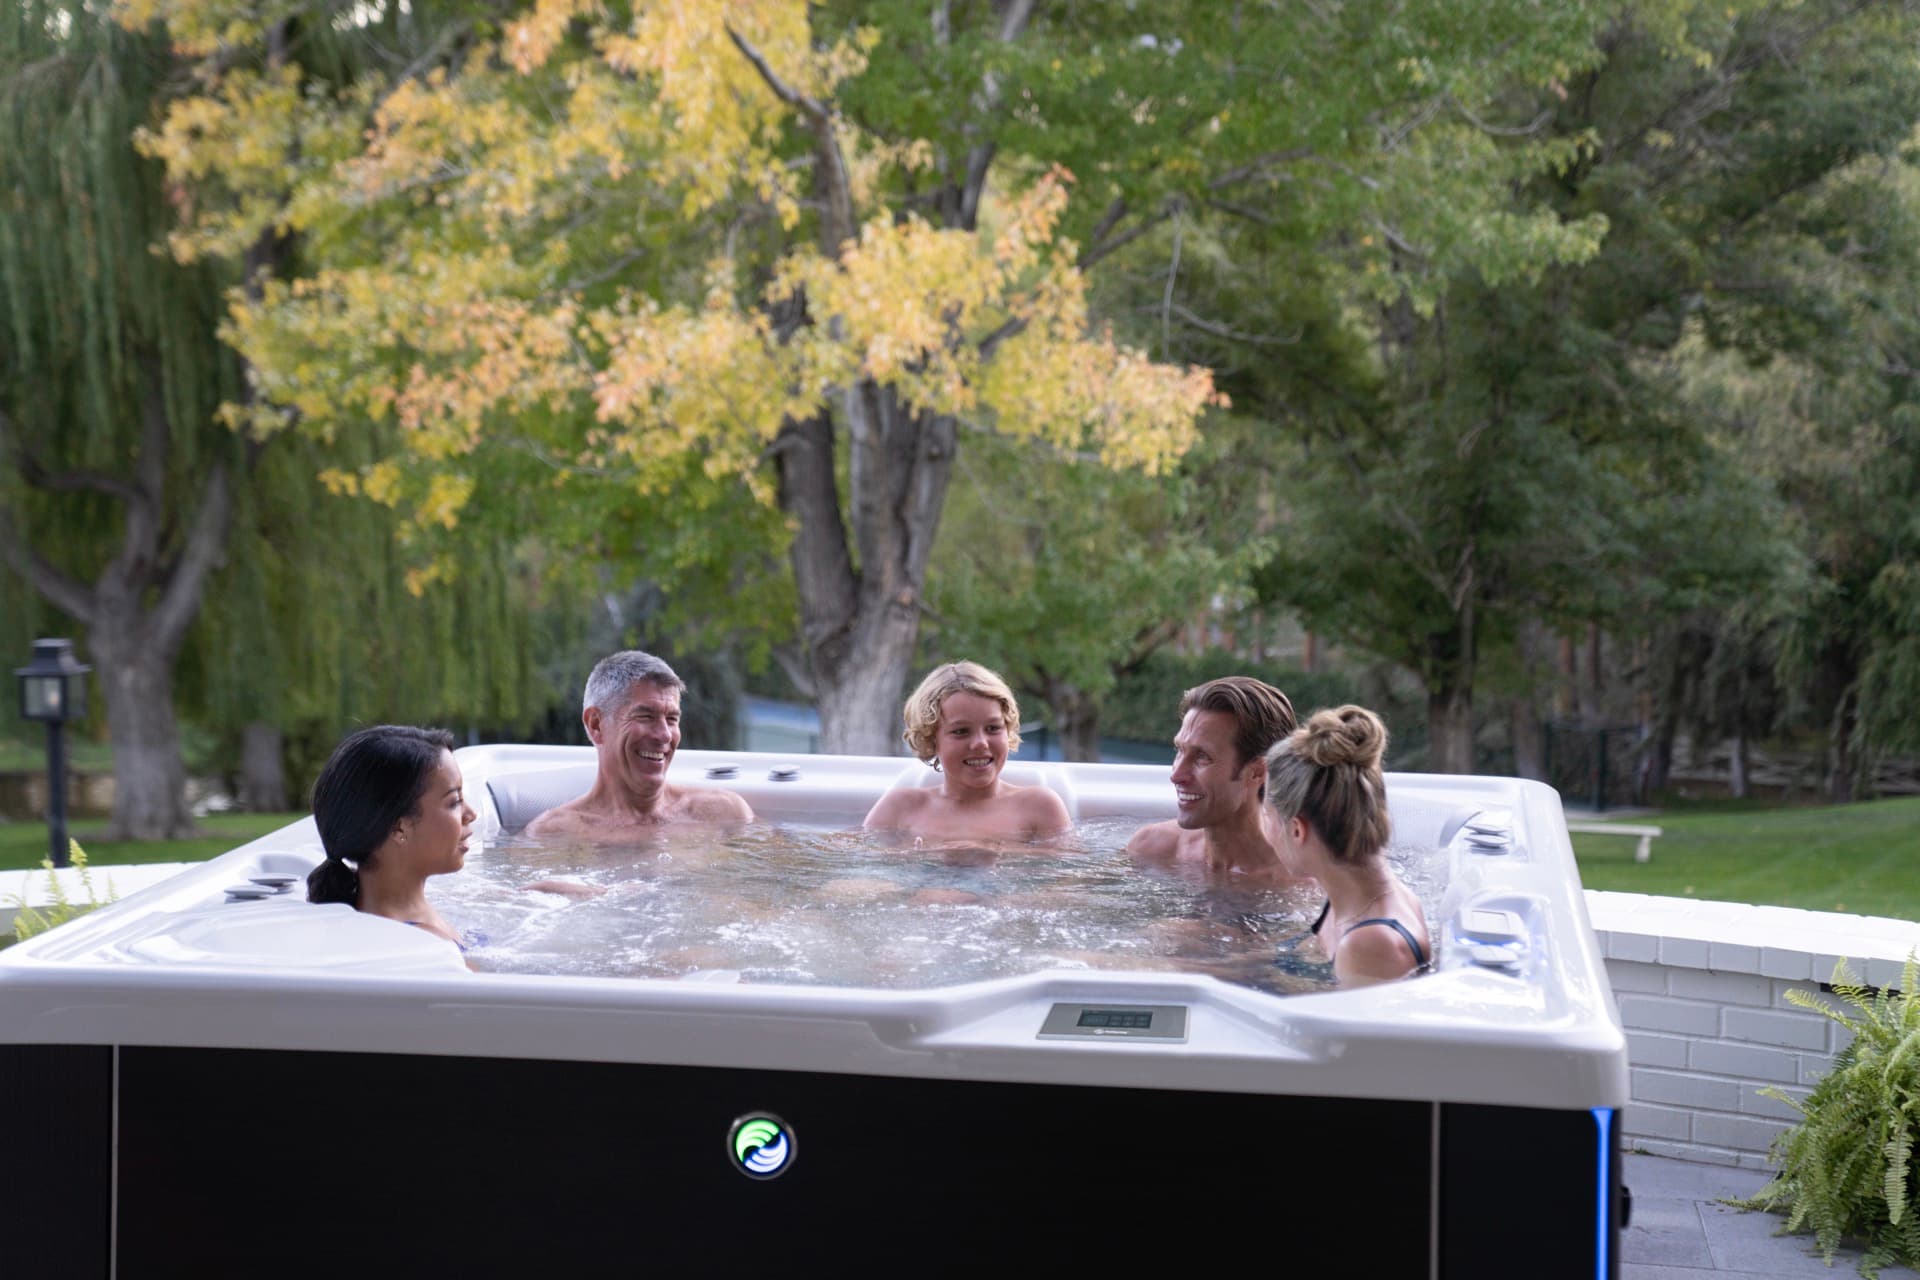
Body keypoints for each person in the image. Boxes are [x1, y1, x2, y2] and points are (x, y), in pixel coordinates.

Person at [1266, 705, 1430, 987]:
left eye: (1266, 815)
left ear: (1296, 830)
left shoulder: (1370, 946)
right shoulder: (1354, 896)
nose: (1264, 829)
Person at [526, 650, 754, 839]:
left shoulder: (724, 814)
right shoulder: (555, 835)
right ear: (596, 725)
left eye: (672, 719)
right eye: (646, 716)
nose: (664, 735)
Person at [307, 724, 480, 951]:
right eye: (454, 801)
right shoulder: (424, 946)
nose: (471, 814)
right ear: (399, 829)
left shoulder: (392, 915)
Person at [1125, 676, 1312, 886]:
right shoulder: (1151, 849)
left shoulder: (1301, 883)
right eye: (1180, 750)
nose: (1176, 775)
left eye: (1202, 756)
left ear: (1258, 772)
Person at [862, 661, 1071, 841]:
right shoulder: (901, 808)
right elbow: (858, 868)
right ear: (931, 739)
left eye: (993, 728)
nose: (981, 743)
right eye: (961, 731)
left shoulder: (1038, 807)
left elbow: (1063, 883)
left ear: (1007, 730)